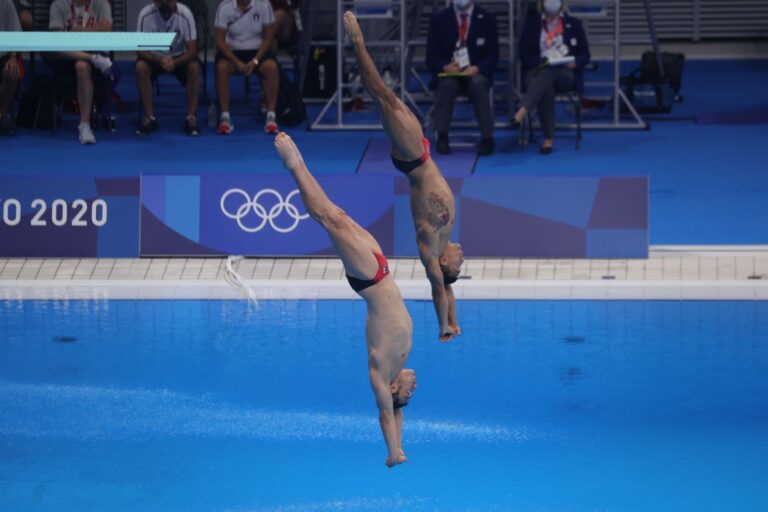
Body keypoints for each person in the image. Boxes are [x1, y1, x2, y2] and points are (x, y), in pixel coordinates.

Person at [274, 131, 417, 468]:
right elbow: (398, 414)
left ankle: (294, 164)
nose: (414, 389)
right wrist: (401, 442)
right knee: (338, 214)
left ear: (394, 389)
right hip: (381, 270)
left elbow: (387, 414)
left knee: (329, 219)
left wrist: (393, 452)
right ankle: (297, 165)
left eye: (408, 393)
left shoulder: (381, 376)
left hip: (369, 279)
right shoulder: (397, 365)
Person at [344, 11, 464, 342]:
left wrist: (442, 328)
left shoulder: (431, 247)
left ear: (443, 263)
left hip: (413, 157)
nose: (462, 259)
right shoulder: (445, 242)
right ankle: (358, 45)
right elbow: (450, 291)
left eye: (457, 265)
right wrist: (454, 322)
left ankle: (357, 41)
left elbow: (440, 290)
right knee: (386, 97)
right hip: (419, 154)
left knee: (382, 93)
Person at [513, 0, 590, 154]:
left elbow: (585, 55)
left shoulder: (573, 24)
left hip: (565, 75)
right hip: (535, 72)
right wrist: (542, 62)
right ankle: (548, 138)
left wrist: (575, 63)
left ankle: (523, 109)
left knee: (552, 70)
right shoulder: (532, 24)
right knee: (546, 80)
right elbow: (523, 54)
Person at [426, 0, 499, 156]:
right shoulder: (439, 20)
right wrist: (445, 66)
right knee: (447, 85)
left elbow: (493, 55)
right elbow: (431, 57)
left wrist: (478, 68)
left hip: (476, 72)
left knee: (478, 84)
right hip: (450, 73)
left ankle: (487, 137)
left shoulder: (487, 19)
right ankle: (442, 136)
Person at [47, 0, 114, 144]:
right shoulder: (58, 5)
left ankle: (84, 125)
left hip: (96, 52)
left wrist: (77, 31)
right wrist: (95, 29)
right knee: (53, 46)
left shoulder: (102, 5)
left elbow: (107, 29)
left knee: (82, 66)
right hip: (66, 57)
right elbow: (57, 38)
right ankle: (92, 58)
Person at [136, 0, 201, 136]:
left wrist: (175, 62)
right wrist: (160, 60)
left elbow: (192, 50)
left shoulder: (185, 14)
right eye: (161, 1)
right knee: (141, 67)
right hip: (155, 58)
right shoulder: (145, 15)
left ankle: (191, 117)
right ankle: (149, 117)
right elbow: (141, 50)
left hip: (179, 57)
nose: (165, 5)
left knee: (194, 67)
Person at [214, 0, 280, 134]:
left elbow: (269, 37)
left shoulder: (264, 5)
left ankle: (271, 116)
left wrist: (255, 60)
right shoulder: (224, 7)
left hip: (258, 52)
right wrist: (236, 61)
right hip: (232, 53)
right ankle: (225, 117)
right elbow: (219, 40)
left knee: (271, 67)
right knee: (221, 68)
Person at [0, 0, 21, 135]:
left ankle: (2, 115)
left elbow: (16, 35)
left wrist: (13, 57)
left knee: (12, 71)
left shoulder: (5, 3)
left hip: (2, 56)